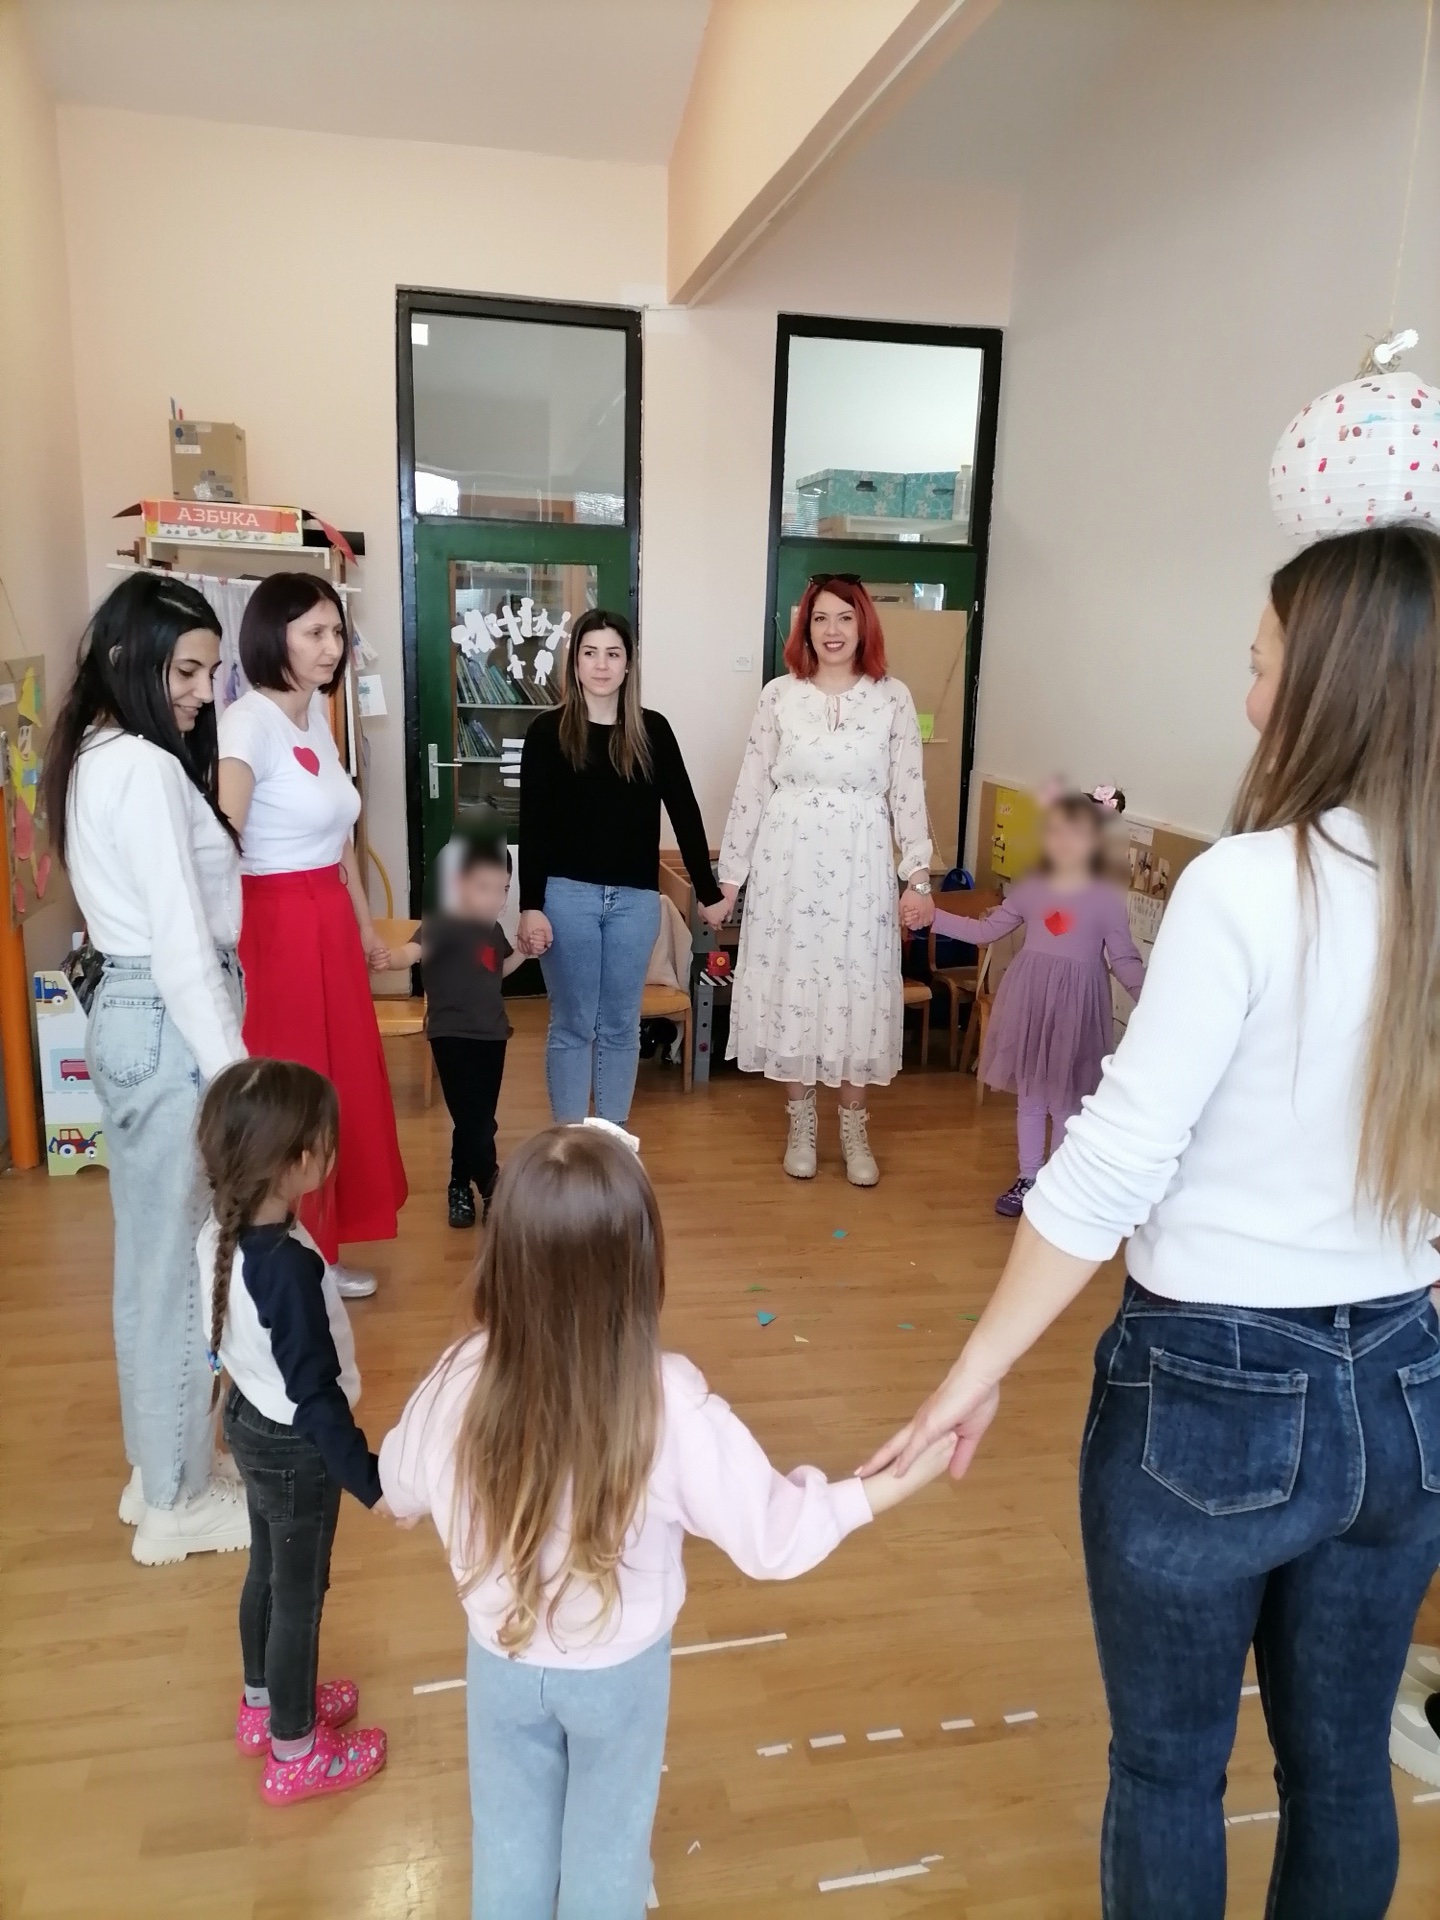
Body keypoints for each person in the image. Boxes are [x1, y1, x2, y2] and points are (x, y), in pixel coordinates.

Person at [865, 524, 1440, 1920]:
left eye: (1263, 665)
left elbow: (1109, 1167)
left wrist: (970, 1375)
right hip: (1408, 1390)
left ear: (1332, 686)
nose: (1249, 697)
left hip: (1212, 1389)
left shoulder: (1248, 883)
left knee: (1172, 1771)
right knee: (1343, 1773)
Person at [378, 1122, 956, 1919]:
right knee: (609, 1852)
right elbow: (772, 1537)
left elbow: (399, 1478)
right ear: (640, 1266)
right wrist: (884, 1487)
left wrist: (411, 1499)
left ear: (501, 1260)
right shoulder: (668, 1401)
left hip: (500, 1664)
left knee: (507, 1844)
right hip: (619, 1676)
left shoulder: (457, 1377)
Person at [44, 572, 250, 1565]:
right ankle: (176, 1501)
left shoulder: (93, 754)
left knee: (151, 1265)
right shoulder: (141, 766)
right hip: (166, 1019)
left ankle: (155, 1469)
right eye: (188, 671)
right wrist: (239, 1078)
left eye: (212, 672)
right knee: (179, 1277)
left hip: (132, 1017)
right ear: (133, 659)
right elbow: (180, 945)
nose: (204, 693)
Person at [198, 1058, 389, 1807]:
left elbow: (232, 1346)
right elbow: (316, 1399)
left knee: (268, 1574)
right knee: (298, 1598)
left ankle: (264, 1704)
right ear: (294, 1161)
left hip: (252, 1423)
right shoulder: (288, 1271)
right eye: (325, 1142)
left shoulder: (222, 1231)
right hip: (293, 1448)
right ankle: (295, 1748)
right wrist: (371, 1481)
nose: (332, 1152)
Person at [217, 573, 406, 1298]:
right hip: (278, 924)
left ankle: (320, 1249)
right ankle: (277, 1259)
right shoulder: (246, 723)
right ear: (274, 636)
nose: (333, 648)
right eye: (315, 633)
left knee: (337, 1084)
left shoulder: (315, 719)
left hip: (327, 917)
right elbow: (222, 844)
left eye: (337, 633)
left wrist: (362, 927)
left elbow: (340, 841)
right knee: (291, 1088)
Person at [716, 575, 934, 1187]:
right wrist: (729, 879)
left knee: (856, 985)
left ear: (864, 625)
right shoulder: (779, 696)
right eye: (820, 619)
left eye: (844, 617)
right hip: (788, 865)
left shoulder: (892, 698)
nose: (832, 630)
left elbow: (908, 792)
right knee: (794, 982)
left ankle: (854, 1129)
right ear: (805, 629)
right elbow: (751, 788)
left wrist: (917, 877)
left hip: (861, 865)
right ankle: (801, 1123)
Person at [517, 609, 726, 1125]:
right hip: (566, 899)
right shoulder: (546, 732)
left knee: (619, 1026)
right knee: (573, 1024)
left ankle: (611, 1143)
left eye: (613, 654)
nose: (601, 665)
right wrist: (530, 906)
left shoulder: (652, 730)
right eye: (590, 653)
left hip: (635, 902)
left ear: (628, 664)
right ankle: (571, 1144)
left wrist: (707, 891)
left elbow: (685, 811)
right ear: (575, 662)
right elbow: (533, 824)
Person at [931, 785, 1145, 1216]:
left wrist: (1155, 1002)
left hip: (1076, 1007)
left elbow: (1124, 960)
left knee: (1065, 1101)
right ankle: (1028, 1176)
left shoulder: (1106, 900)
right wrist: (932, 916)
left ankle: (1058, 1183)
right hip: (1031, 1002)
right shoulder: (1031, 888)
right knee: (1030, 1096)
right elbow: (985, 931)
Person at [380, 832, 526, 1228]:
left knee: (477, 1118)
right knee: (474, 1118)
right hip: (451, 1036)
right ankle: (493, 1186)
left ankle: (459, 1184)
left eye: (504, 890)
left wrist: (525, 953)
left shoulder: (493, 932)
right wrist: (388, 958)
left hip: (493, 1035)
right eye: (486, 888)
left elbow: (498, 971)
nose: (497, 900)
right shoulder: (441, 925)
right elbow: (410, 953)